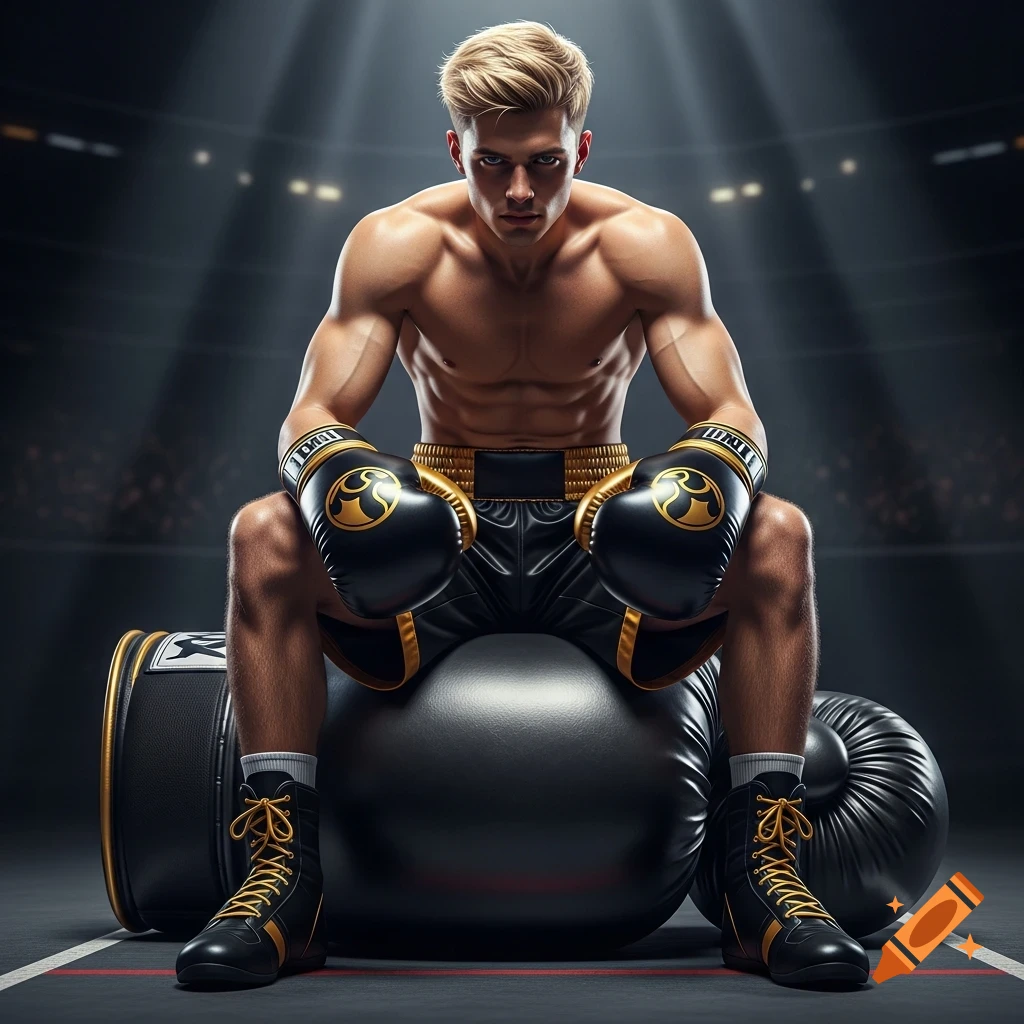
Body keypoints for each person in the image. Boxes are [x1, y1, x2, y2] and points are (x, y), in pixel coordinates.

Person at [175, 20, 869, 989]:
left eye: (543, 163)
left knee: (779, 535)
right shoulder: (395, 246)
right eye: (491, 162)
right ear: (452, 145)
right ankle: (283, 884)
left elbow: (729, 409)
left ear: (579, 147)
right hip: (444, 515)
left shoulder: (644, 246)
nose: (517, 192)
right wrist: (337, 474)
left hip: (596, 518)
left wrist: (709, 473)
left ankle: (764, 881)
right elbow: (313, 412)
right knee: (263, 533)